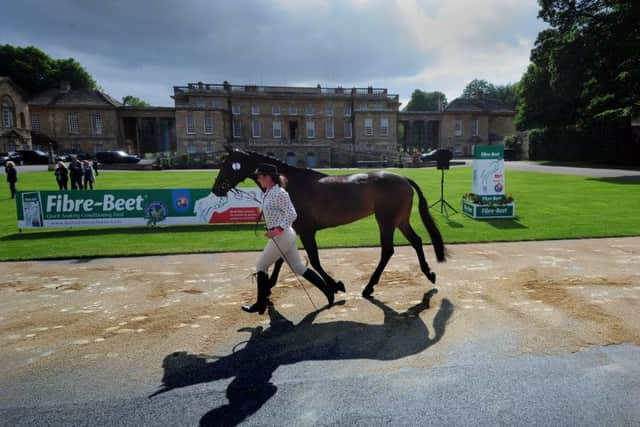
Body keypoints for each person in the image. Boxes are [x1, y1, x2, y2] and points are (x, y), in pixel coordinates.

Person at [242, 163, 334, 314]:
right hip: (283, 235)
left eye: (260, 176)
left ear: (268, 177)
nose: (258, 179)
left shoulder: (280, 193)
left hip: (282, 235)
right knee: (298, 267)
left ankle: (260, 303)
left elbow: (292, 214)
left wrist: (277, 229)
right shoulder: (268, 192)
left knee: (260, 266)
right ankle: (328, 291)